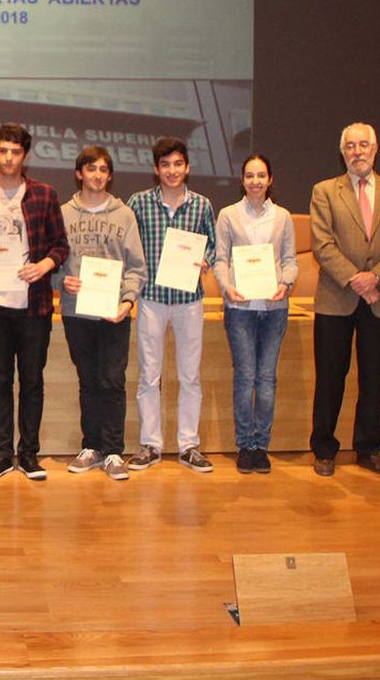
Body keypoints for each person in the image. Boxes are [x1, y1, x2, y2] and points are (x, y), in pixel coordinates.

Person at [309, 122, 380, 477]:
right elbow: (322, 244)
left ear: (375, 148)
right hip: (335, 299)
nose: (357, 152)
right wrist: (357, 279)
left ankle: (369, 449)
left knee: (374, 379)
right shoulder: (324, 191)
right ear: (342, 152)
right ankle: (324, 450)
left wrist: (376, 278)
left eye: (363, 145)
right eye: (350, 146)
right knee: (330, 379)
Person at [0, 123, 68, 481]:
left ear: (25, 156)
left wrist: (44, 265)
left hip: (33, 305)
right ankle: (1, 454)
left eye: (16, 152)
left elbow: (61, 245)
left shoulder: (44, 194)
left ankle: (28, 454)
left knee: (32, 380)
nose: (9, 158)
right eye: (3, 151)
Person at [127, 137, 218, 473]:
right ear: (156, 169)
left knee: (189, 375)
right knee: (149, 376)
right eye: (165, 165)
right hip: (150, 299)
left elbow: (214, 245)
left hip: (189, 300)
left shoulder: (202, 205)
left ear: (187, 167)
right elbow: (127, 245)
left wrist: (206, 261)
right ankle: (150, 444)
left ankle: (188, 445)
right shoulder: (138, 203)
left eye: (178, 164)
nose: (172, 170)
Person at [57, 147, 147, 482]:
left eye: (103, 169)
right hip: (76, 312)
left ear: (109, 175)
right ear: (79, 173)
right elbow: (51, 261)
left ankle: (112, 451)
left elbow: (137, 267)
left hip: (113, 314)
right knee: (88, 381)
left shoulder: (124, 215)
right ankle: (91, 446)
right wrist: (60, 280)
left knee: (112, 381)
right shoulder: (63, 213)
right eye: (90, 168)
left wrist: (126, 302)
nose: (97, 174)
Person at [212, 154, 298, 475]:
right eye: (250, 175)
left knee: (267, 380)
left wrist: (286, 283)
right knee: (245, 377)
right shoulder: (228, 215)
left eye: (261, 175)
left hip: (274, 309)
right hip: (240, 309)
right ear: (242, 180)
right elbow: (220, 259)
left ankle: (261, 445)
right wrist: (226, 286)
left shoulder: (284, 217)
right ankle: (244, 445)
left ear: (270, 179)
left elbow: (290, 260)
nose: (256, 181)